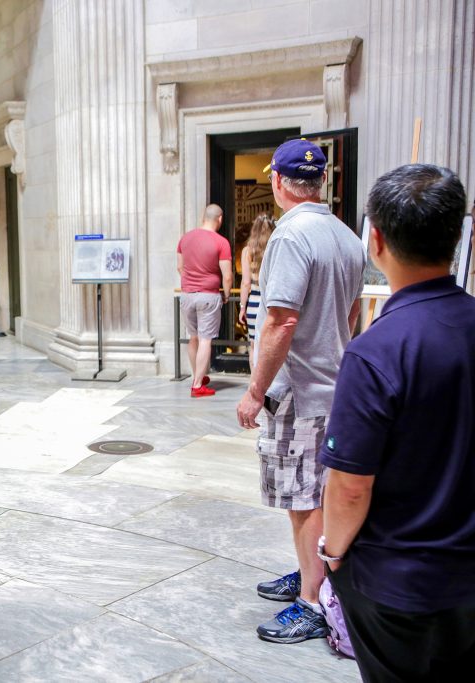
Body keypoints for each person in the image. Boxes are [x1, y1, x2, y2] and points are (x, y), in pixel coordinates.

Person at [319, 164, 475, 681]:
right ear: (456, 236)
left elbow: (349, 487)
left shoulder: (376, 351)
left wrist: (333, 555)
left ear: (376, 239)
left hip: (400, 581)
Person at [234, 139, 364, 644]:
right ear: (322, 182)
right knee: (320, 491)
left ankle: (312, 601)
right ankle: (312, 573)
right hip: (336, 385)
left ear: (278, 183)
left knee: (303, 500)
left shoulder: (291, 236)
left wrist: (254, 391)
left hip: (298, 391)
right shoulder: (346, 235)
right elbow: (350, 315)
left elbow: (280, 321)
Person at [177, 204, 232, 397]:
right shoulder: (221, 242)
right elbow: (227, 276)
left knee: (193, 338)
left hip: (186, 295)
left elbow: (180, 267)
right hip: (208, 295)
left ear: (203, 217)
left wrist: (190, 283)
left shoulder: (185, 238)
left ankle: (196, 376)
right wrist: (225, 295)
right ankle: (198, 385)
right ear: (220, 219)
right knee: (206, 339)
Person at [238, 213, 275, 371]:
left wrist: (242, 307)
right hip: (271, 301)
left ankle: (254, 383)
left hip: (254, 302)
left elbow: (246, 283)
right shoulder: (274, 249)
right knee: (270, 345)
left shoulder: (247, 251)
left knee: (254, 345)